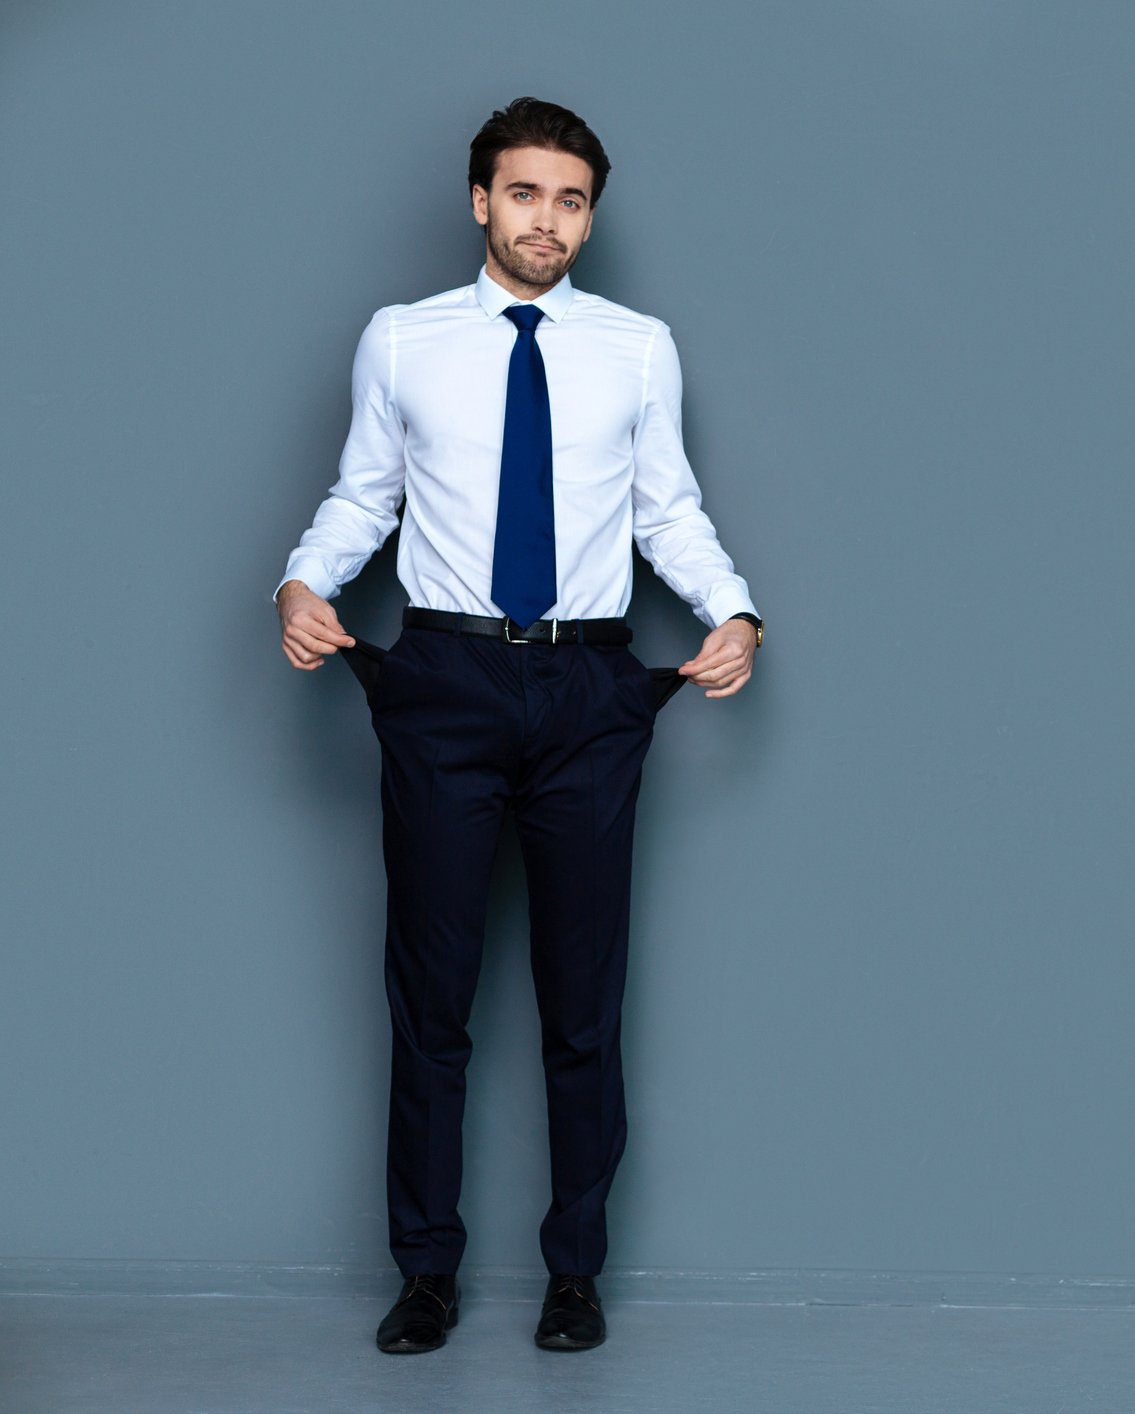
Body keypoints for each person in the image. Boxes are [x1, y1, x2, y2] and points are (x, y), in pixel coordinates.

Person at [272, 96, 763, 1355]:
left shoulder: (639, 347)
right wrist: (301, 581)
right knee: (430, 999)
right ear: (482, 200)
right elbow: (361, 493)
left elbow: (670, 514)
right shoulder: (402, 340)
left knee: (581, 1004)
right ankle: (426, 1270)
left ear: (591, 215)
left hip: (590, 694)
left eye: (574, 199)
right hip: (444, 682)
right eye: (528, 193)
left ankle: (574, 1274)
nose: (551, 220)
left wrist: (736, 610)